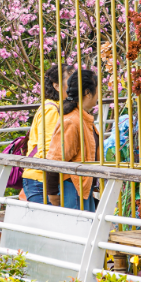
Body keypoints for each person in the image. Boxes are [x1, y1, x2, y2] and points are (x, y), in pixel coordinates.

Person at [47, 68, 101, 211]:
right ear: (88, 93)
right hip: (73, 186)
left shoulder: (83, 119)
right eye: (97, 91)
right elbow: (55, 159)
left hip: (83, 186)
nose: (99, 96)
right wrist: (52, 192)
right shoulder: (72, 121)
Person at [20, 65, 65, 204]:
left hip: (43, 178)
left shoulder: (55, 107)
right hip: (40, 179)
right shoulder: (51, 110)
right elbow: (48, 150)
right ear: (56, 86)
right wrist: (52, 189)